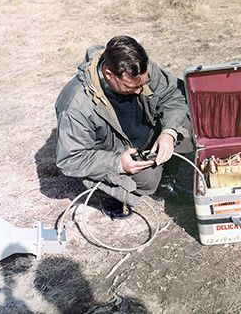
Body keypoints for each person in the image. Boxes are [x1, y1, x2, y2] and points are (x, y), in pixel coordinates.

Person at [55, 35, 192, 217]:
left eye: (142, 84)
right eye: (130, 87)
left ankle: (167, 177)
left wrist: (169, 132)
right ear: (109, 74)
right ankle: (107, 193)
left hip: (147, 134)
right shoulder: (76, 104)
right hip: (116, 152)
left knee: (191, 125)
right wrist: (118, 163)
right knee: (149, 181)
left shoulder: (139, 69)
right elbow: (70, 158)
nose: (138, 90)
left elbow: (174, 95)